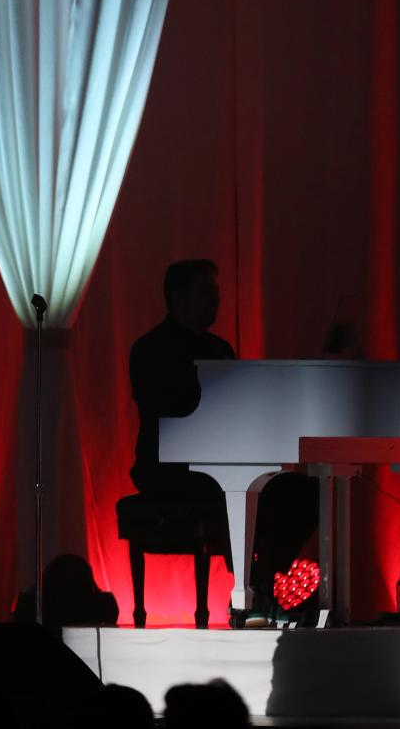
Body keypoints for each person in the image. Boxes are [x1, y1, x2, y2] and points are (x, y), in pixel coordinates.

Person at [128, 259, 235, 626]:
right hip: (167, 469)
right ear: (179, 297)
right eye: (208, 292)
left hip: (214, 464)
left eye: (216, 293)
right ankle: (250, 594)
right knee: (224, 494)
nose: (216, 300)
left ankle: (265, 590)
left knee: (275, 490)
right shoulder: (149, 350)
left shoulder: (222, 351)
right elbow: (162, 412)